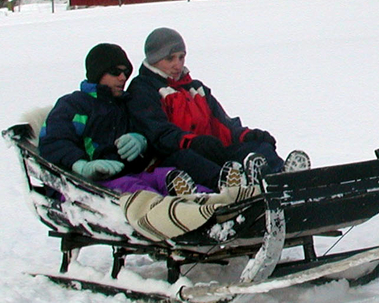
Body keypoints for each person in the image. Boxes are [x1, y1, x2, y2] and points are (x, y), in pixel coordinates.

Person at [127, 27, 309, 190]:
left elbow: (222, 124)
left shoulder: (195, 88)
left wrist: (246, 135)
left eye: (181, 57)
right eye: (170, 59)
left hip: (208, 149)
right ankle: (234, 187)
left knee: (256, 148)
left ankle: (281, 178)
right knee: (189, 160)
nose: (178, 64)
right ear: (154, 59)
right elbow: (158, 132)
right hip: (169, 158)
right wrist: (191, 142)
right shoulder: (144, 89)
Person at [39, 43, 199, 196]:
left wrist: (141, 142)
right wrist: (81, 166)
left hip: (130, 174)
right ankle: (174, 215)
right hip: (86, 185)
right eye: (116, 72)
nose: (123, 78)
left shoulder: (124, 105)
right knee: (140, 192)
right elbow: (53, 140)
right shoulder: (74, 105)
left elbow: (147, 133)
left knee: (170, 177)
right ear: (98, 73)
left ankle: (211, 205)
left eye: (126, 72)